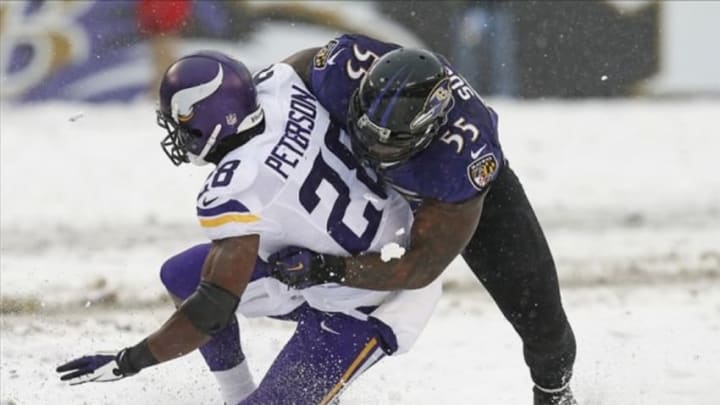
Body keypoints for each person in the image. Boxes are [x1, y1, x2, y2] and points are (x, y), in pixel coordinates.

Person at [55, 50, 441, 404]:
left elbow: (211, 311)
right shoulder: (282, 86)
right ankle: (238, 396)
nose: (176, 135)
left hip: (377, 302)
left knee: (208, 293)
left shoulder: (237, 187)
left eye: (181, 124)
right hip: (355, 254)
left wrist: (129, 360)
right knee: (182, 275)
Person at [267, 34, 578, 405]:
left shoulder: (462, 159)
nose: (372, 148)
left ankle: (554, 393)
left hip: (447, 200)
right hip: (350, 165)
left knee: (542, 322)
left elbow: (420, 267)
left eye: (387, 144)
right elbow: (278, 86)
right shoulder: (339, 67)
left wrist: (327, 268)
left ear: (430, 131)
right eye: (367, 133)